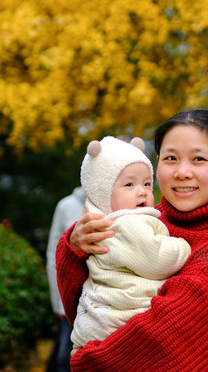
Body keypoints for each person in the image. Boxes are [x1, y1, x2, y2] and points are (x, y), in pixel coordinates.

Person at [57, 110, 208, 372]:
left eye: (199, 159)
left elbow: (164, 340)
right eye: (171, 158)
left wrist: (86, 363)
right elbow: (85, 303)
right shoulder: (136, 220)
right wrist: (74, 246)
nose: (183, 172)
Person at [69, 136, 191, 353]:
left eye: (146, 183)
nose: (142, 191)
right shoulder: (128, 223)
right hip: (118, 317)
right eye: (129, 184)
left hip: (95, 318)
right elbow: (158, 260)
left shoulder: (103, 223)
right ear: (103, 192)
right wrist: (183, 246)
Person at [46, 186, 86, 372]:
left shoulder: (119, 200)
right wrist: (58, 300)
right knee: (65, 356)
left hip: (101, 299)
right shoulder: (66, 206)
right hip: (69, 299)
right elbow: (53, 254)